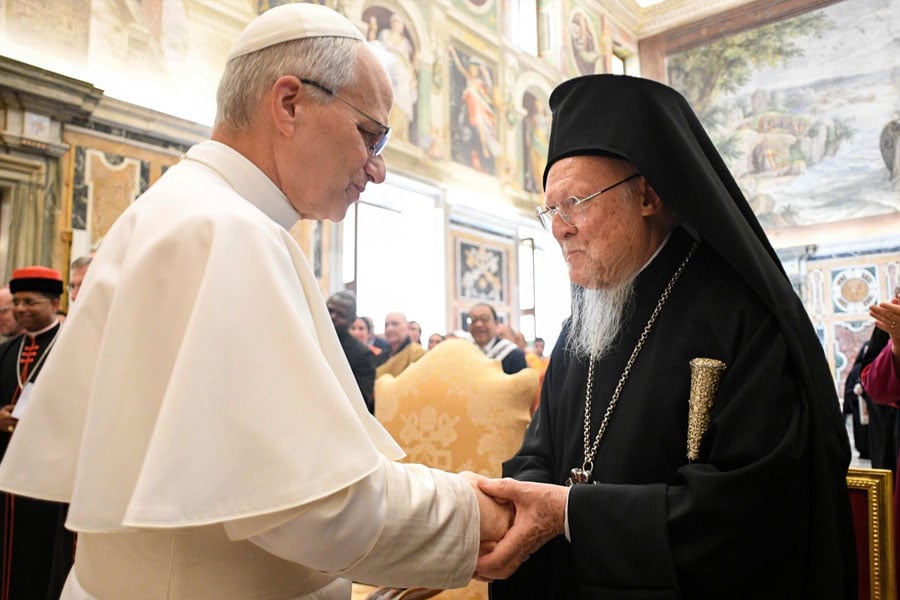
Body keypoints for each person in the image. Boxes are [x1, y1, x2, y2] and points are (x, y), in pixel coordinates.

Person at [0, 5, 512, 598]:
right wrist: (480, 515)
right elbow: (315, 507)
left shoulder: (180, 207)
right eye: (370, 135)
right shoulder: (229, 231)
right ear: (289, 103)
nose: (377, 170)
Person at [476, 75, 855, 598]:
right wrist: (509, 505)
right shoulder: (582, 323)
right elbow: (539, 453)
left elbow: (751, 506)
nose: (560, 227)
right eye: (550, 210)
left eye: (576, 201)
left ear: (649, 195)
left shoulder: (740, 316)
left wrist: (572, 513)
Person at [0, 266, 73, 600]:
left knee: (40, 556)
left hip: (46, 476)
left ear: (54, 303)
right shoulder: (7, 350)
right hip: (5, 470)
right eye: (16, 302)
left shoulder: (69, 348)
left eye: (29, 301)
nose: (20, 309)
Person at [327, 290, 376, 414]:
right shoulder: (314, 341)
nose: (332, 317)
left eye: (341, 314)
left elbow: (361, 400)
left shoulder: (363, 355)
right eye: (329, 311)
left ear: (352, 319)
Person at [467, 303, 527, 375]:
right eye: (473, 319)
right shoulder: (465, 353)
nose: (478, 324)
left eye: (484, 318)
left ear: (496, 323)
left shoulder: (513, 354)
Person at [376, 312, 426, 378]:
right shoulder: (381, 355)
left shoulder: (417, 352)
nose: (389, 329)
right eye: (386, 325)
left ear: (407, 328)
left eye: (395, 324)